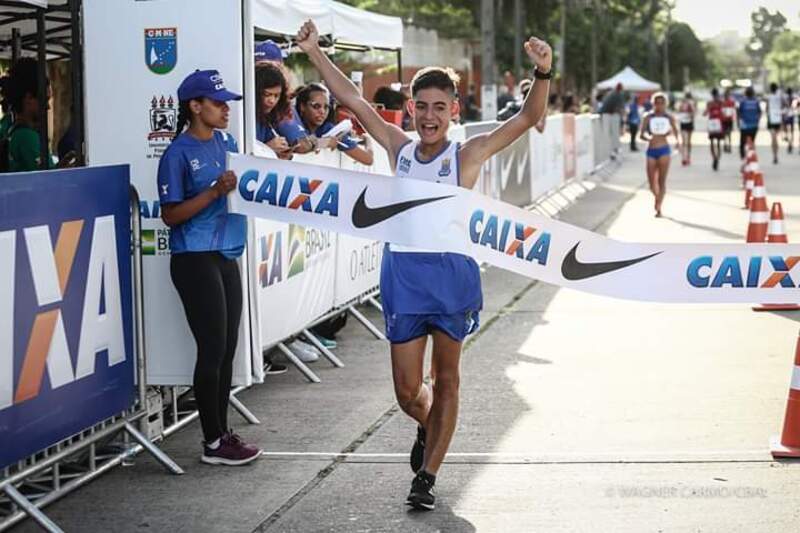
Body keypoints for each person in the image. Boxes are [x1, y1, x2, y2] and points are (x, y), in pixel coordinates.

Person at [296, 19, 552, 511]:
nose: (430, 117)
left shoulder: (468, 154)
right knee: (409, 391)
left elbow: (525, 120)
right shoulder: (399, 149)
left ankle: (427, 476)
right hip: (404, 279)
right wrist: (312, 53)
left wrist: (543, 73)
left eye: (440, 108)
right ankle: (427, 424)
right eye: (423, 108)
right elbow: (352, 99)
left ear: (454, 111)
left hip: (451, 279)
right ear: (411, 109)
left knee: (449, 378)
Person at [157, 69, 261, 466]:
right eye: (218, 103)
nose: (225, 109)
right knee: (213, 347)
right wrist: (215, 191)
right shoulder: (177, 153)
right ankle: (213, 440)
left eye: (227, 103)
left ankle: (222, 434)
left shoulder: (227, 143)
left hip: (227, 253)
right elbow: (170, 216)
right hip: (193, 258)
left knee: (228, 347)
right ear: (194, 107)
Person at [295, 82, 374, 165]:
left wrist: (368, 141)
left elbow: (368, 159)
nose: (322, 111)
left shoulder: (332, 130)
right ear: (302, 106)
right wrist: (324, 142)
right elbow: (298, 146)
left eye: (326, 107)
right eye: (316, 106)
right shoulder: (291, 123)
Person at [5, 58, 59, 172]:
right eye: (45, 99)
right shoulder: (27, 137)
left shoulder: (12, 131)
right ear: (29, 98)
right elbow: (49, 181)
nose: (48, 107)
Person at [254, 62, 315, 159]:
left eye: (276, 95)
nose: (272, 101)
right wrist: (267, 149)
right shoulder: (246, 116)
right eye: (267, 94)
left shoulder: (265, 119)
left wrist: (282, 153)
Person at [640, 92, 680, 218]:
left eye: (662, 103)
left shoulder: (669, 117)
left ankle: (659, 207)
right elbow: (641, 134)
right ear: (653, 103)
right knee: (652, 184)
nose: (659, 105)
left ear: (666, 104)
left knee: (662, 181)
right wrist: (648, 137)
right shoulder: (648, 117)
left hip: (664, 150)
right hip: (651, 151)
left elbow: (676, 132)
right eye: (657, 102)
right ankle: (657, 197)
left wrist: (678, 143)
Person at [704, 88, 725, 171]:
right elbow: (724, 113)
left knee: (712, 142)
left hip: (712, 123)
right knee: (719, 143)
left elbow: (705, 113)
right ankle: (717, 159)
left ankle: (714, 158)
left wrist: (710, 109)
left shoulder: (710, 103)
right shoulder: (721, 102)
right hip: (719, 123)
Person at [738, 86, 761, 160]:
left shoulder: (743, 101)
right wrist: (757, 121)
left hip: (744, 125)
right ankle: (751, 155)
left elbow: (739, 112)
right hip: (754, 125)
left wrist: (739, 122)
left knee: (742, 141)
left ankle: (743, 155)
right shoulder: (756, 101)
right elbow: (759, 112)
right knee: (752, 141)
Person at [766, 82, 783, 164]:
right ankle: (776, 155)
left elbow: (766, 108)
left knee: (773, 138)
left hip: (771, 118)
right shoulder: (780, 96)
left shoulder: (769, 97)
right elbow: (785, 105)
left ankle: (774, 155)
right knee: (775, 137)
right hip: (778, 118)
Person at [677, 92, 695, 165]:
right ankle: (684, 157)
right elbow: (679, 112)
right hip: (685, 123)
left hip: (687, 123)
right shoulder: (682, 104)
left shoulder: (690, 104)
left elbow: (693, 114)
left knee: (687, 142)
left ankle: (687, 157)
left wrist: (689, 114)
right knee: (685, 141)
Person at [721, 88, 737, 154]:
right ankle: (726, 145)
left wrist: (734, 118)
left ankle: (728, 146)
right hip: (725, 119)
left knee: (728, 133)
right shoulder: (723, 102)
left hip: (728, 120)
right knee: (726, 133)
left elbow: (733, 111)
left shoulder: (730, 102)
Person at [782, 87, 795, 154]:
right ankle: (790, 144)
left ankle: (787, 139)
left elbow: (783, 106)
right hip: (791, 115)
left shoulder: (785, 98)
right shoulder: (793, 97)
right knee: (792, 131)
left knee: (786, 129)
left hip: (786, 114)